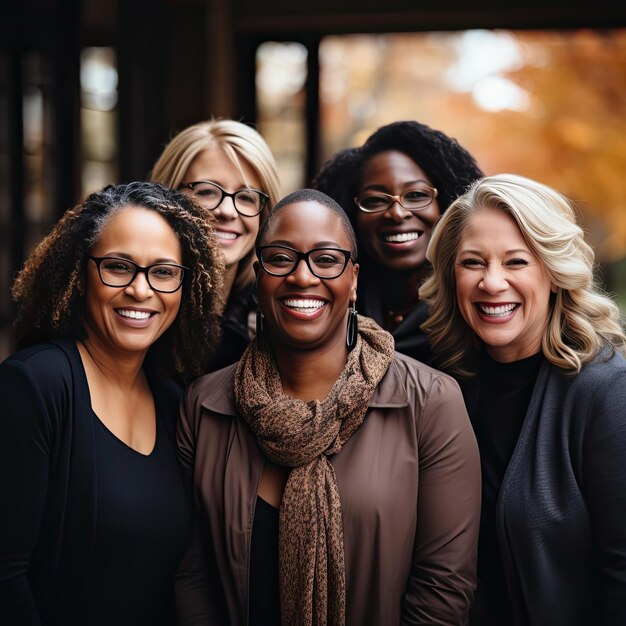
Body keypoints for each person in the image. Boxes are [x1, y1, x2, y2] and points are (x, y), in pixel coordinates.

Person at [176, 188, 481, 626]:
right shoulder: (205, 407)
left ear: (353, 279)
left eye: (326, 259)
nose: (303, 277)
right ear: (259, 275)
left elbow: (443, 588)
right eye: (281, 258)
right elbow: (192, 574)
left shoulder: (429, 403)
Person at [0, 182, 224, 625]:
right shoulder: (34, 386)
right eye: (119, 267)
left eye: (163, 272)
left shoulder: (174, 403)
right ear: (80, 275)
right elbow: (5, 576)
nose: (141, 291)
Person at [420, 173, 626, 626]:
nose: (492, 283)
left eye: (516, 262)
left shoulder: (606, 392)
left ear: (553, 274)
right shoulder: (442, 384)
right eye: (473, 262)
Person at [312, 120, 483, 363]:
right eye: (375, 200)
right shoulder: (327, 306)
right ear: (351, 215)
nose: (397, 213)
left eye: (415, 195)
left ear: (447, 204)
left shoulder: (476, 309)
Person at [151, 118, 281, 371]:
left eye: (246, 197)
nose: (227, 211)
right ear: (165, 196)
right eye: (207, 191)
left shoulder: (269, 328)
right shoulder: (138, 306)